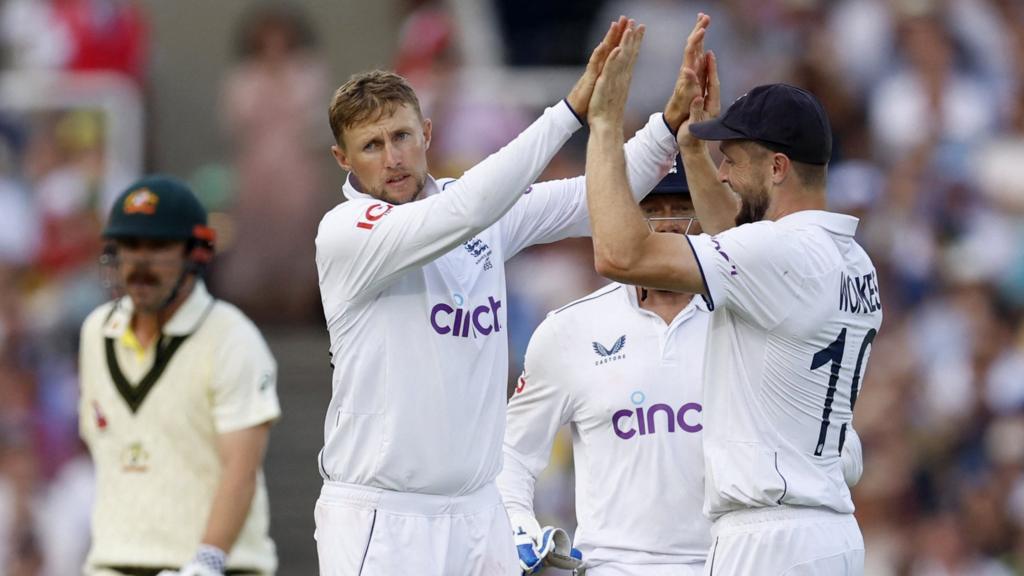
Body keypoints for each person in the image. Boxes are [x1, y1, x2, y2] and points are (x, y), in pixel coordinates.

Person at [312, 17, 693, 575]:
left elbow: (602, 195)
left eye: (401, 136)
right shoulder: (347, 232)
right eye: (370, 145)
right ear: (342, 159)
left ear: (428, 135)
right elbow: (465, 211)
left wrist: (667, 123)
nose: (392, 157)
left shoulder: (479, 214)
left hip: (476, 513)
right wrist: (566, 114)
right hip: (382, 516)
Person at [582, 14, 880, 575]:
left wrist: (602, 126)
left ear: (777, 166)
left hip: (771, 539)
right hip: (828, 533)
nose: (723, 176)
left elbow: (620, 255)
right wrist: (693, 151)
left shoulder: (783, 255)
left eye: (733, 160)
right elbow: (741, 248)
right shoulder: (847, 258)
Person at [498, 158, 866, 576]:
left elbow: (839, 446)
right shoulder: (569, 331)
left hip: (733, 561)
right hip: (612, 566)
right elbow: (513, 454)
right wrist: (517, 523)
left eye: (683, 207)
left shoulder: (755, 320)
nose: (669, 224)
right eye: (652, 208)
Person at [78, 176, 280, 576]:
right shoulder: (96, 331)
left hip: (219, 566)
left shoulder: (231, 337)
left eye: (158, 247)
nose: (139, 264)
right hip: (111, 563)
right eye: (129, 247)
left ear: (195, 253)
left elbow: (241, 468)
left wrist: (207, 559)